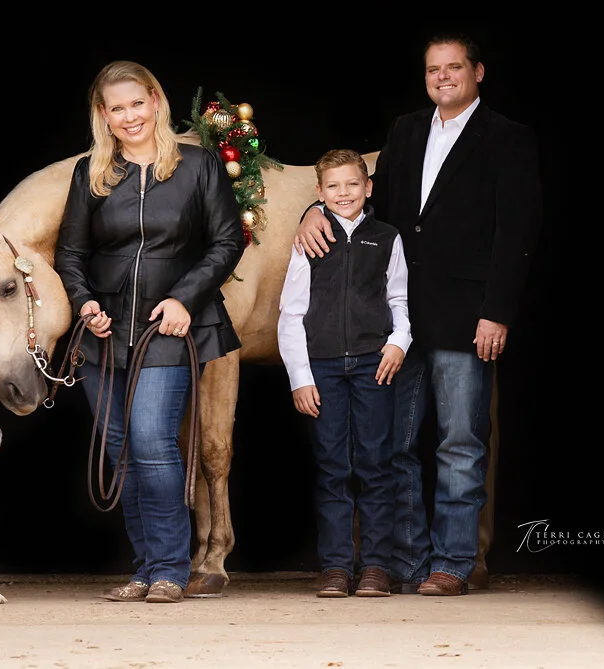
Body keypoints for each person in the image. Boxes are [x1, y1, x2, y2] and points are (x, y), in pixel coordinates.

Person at [294, 33, 542, 596]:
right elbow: (365, 198)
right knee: (393, 446)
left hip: (467, 317)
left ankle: (452, 564)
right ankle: (405, 562)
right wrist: (314, 209)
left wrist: (497, 312)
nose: (444, 77)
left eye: (455, 67)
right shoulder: (406, 130)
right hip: (398, 324)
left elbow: (517, 232)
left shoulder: (507, 138)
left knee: (459, 442)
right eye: (434, 69)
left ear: (478, 72)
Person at [54, 60, 245, 604]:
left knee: (153, 442)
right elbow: (70, 253)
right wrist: (85, 301)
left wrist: (186, 298)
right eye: (117, 108)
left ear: (156, 101)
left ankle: (169, 568)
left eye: (137, 103)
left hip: (170, 323)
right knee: (120, 449)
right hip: (105, 328)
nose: (130, 115)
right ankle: (144, 568)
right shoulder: (90, 173)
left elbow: (226, 242)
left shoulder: (197, 165)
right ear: (103, 116)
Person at [278, 149, 411, 598]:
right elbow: (291, 312)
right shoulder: (310, 240)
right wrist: (301, 376)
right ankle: (336, 566)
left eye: (352, 184)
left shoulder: (387, 238)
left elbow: (400, 301)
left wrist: (398, 342)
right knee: (333, 466)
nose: (344, 193)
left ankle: (375, 566)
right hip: (325, 369)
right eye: (333, 186)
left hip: (375, 366)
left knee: (376, 464)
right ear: (319, 193)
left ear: (368, 187)